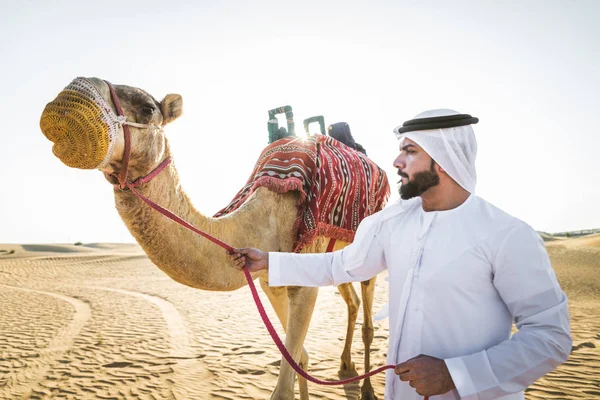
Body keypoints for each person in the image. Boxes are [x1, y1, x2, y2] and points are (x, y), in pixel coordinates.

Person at [230, 109, 572, 400]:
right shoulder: (392, 222)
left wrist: (456, 375)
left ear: (443, 161)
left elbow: (550, 337)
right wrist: (270, 262)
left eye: (409, 151)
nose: (396, 161)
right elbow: (342, 265)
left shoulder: (507, 235)